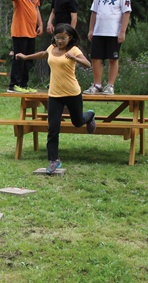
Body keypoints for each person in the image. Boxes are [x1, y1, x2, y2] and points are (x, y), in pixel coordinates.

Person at [16, 23, 96, 174]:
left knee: (77, 122)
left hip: (72, 93)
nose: (59, 41)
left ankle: (90, 115)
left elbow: (87, 64)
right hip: (54, 95)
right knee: (53, 128)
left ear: (70, 37)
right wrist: (26, 57)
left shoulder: (74, 50)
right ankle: (54, 160)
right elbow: (43, 54)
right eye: (57, 38)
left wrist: (75, 58)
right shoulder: (52, 48)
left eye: (63, 38)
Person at [84, 0, 131, 95]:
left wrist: (122, 32)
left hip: (113, 32)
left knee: (113, 59)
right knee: (96, 57)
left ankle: (110, 85)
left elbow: (126, 13)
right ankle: (97, 84)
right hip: (99, 31)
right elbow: (94, 12)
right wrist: (91, 29)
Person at [8, 0, 43, 93]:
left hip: (31, 32)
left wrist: (40, 24)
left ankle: (23, 84)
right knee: (19, 59)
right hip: (19, 31)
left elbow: (36, 8)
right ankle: (14, 85)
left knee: (28, 59)